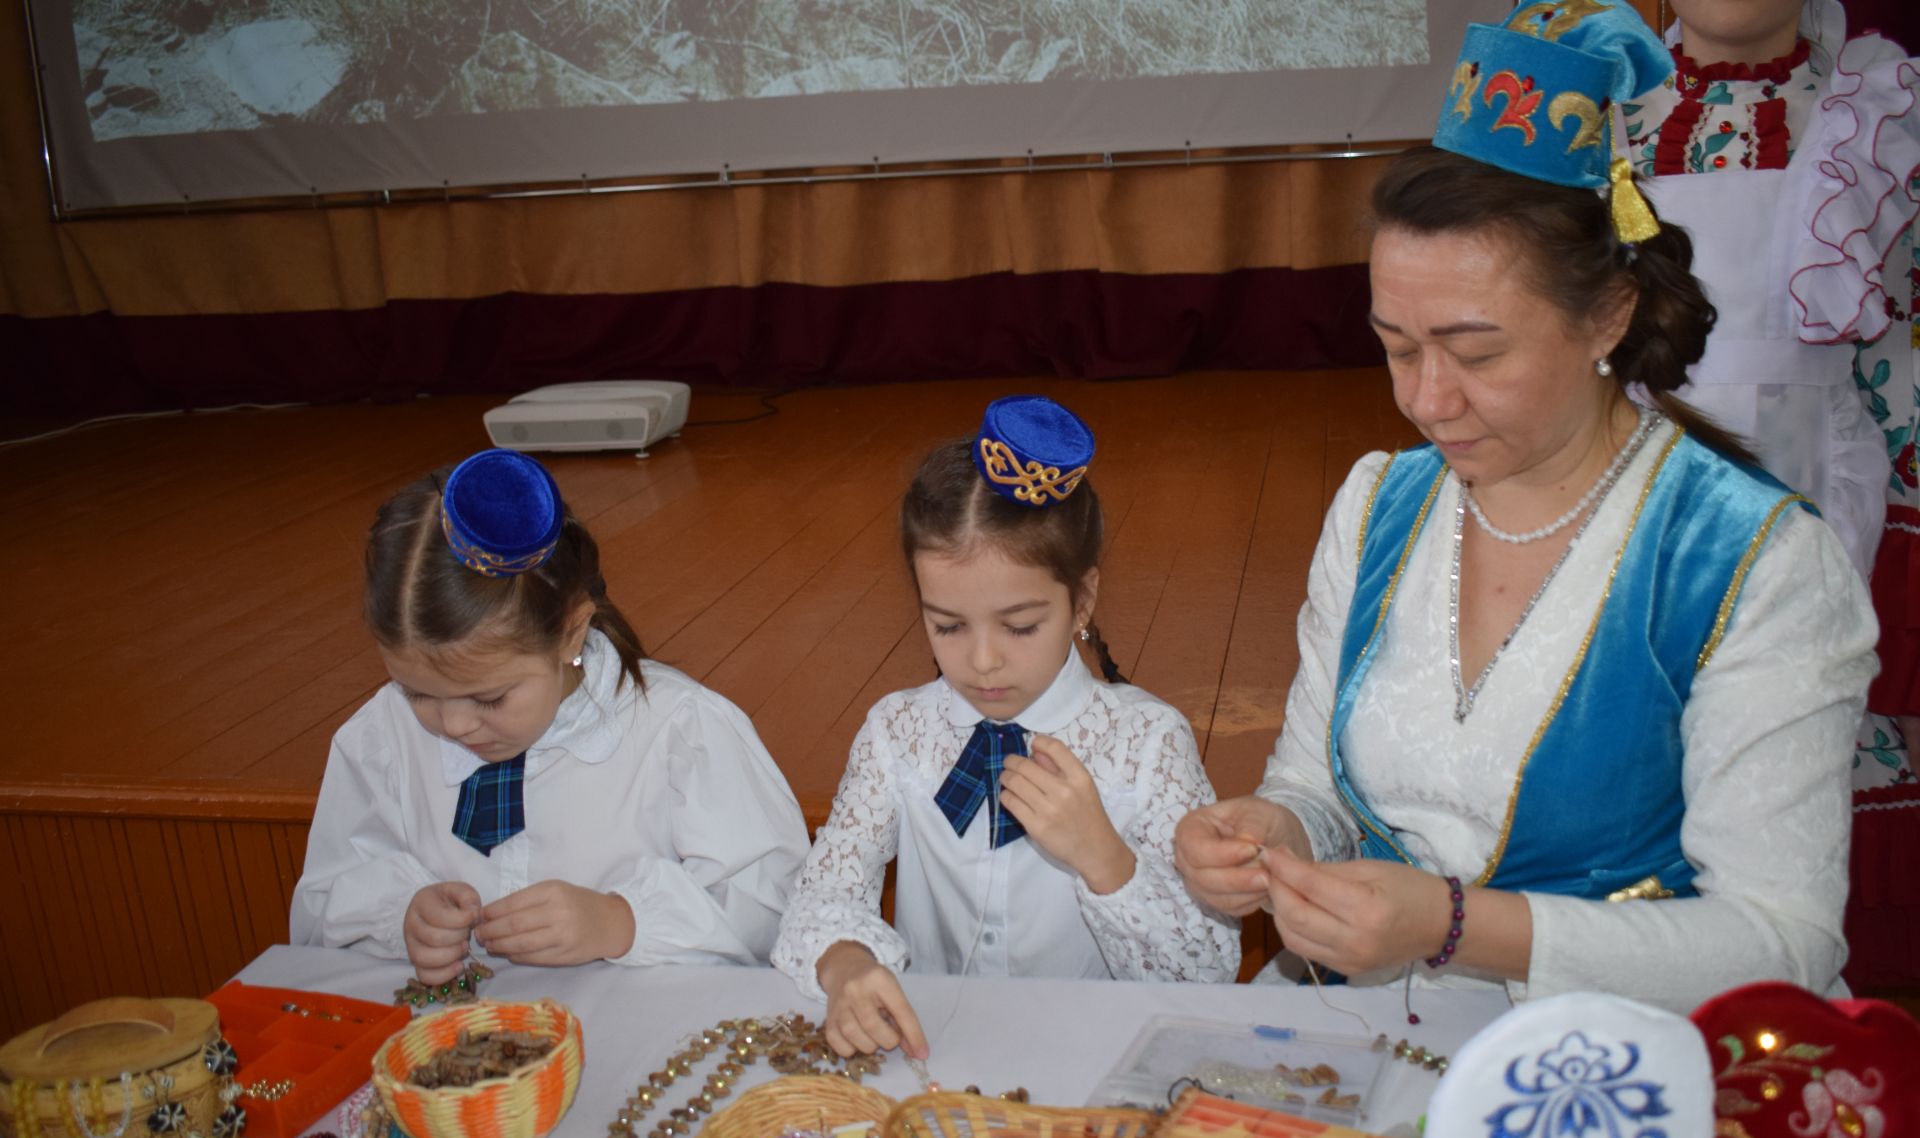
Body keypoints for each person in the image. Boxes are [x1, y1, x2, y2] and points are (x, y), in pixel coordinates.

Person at [1173, 1, 1878, 1015]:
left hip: (1631, 1070)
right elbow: (1315, 789)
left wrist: (1453, 923)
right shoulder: (1378, 504)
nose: (1425, 399)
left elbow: (1779, 945)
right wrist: (1274, 832)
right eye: (1396, 345)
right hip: (1382, 1032)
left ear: (1610, 314)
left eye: (1477, 352)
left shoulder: (1753, 562)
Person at [772, 397, 1240, 1059]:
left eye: (1020, 626)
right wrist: (847, 963)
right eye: (947, 626)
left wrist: (1103, 858)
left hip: (1096, 1056)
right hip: (934, 1053)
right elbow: (822, 894)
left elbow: (1208, 969)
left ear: (1082, 599)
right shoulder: (899, 732)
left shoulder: (1147, 744)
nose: (983, 660)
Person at [1624, 0, 1920, 981]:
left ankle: (1800, 977)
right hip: (1642, 469)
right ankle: (1658, 950)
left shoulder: (1870, 106)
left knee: (1800, 722)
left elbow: (1903, 347)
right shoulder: (1606, 109)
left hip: (1814, 479)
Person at [291, 448, 807, 980]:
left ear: (570, 632)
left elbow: (775, 909)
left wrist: (621, 923)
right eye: (416, 693)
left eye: (490, 698)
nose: (454, 725)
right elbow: (321, 906)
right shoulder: (381, 738)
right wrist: (400, 916)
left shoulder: (681, 730)